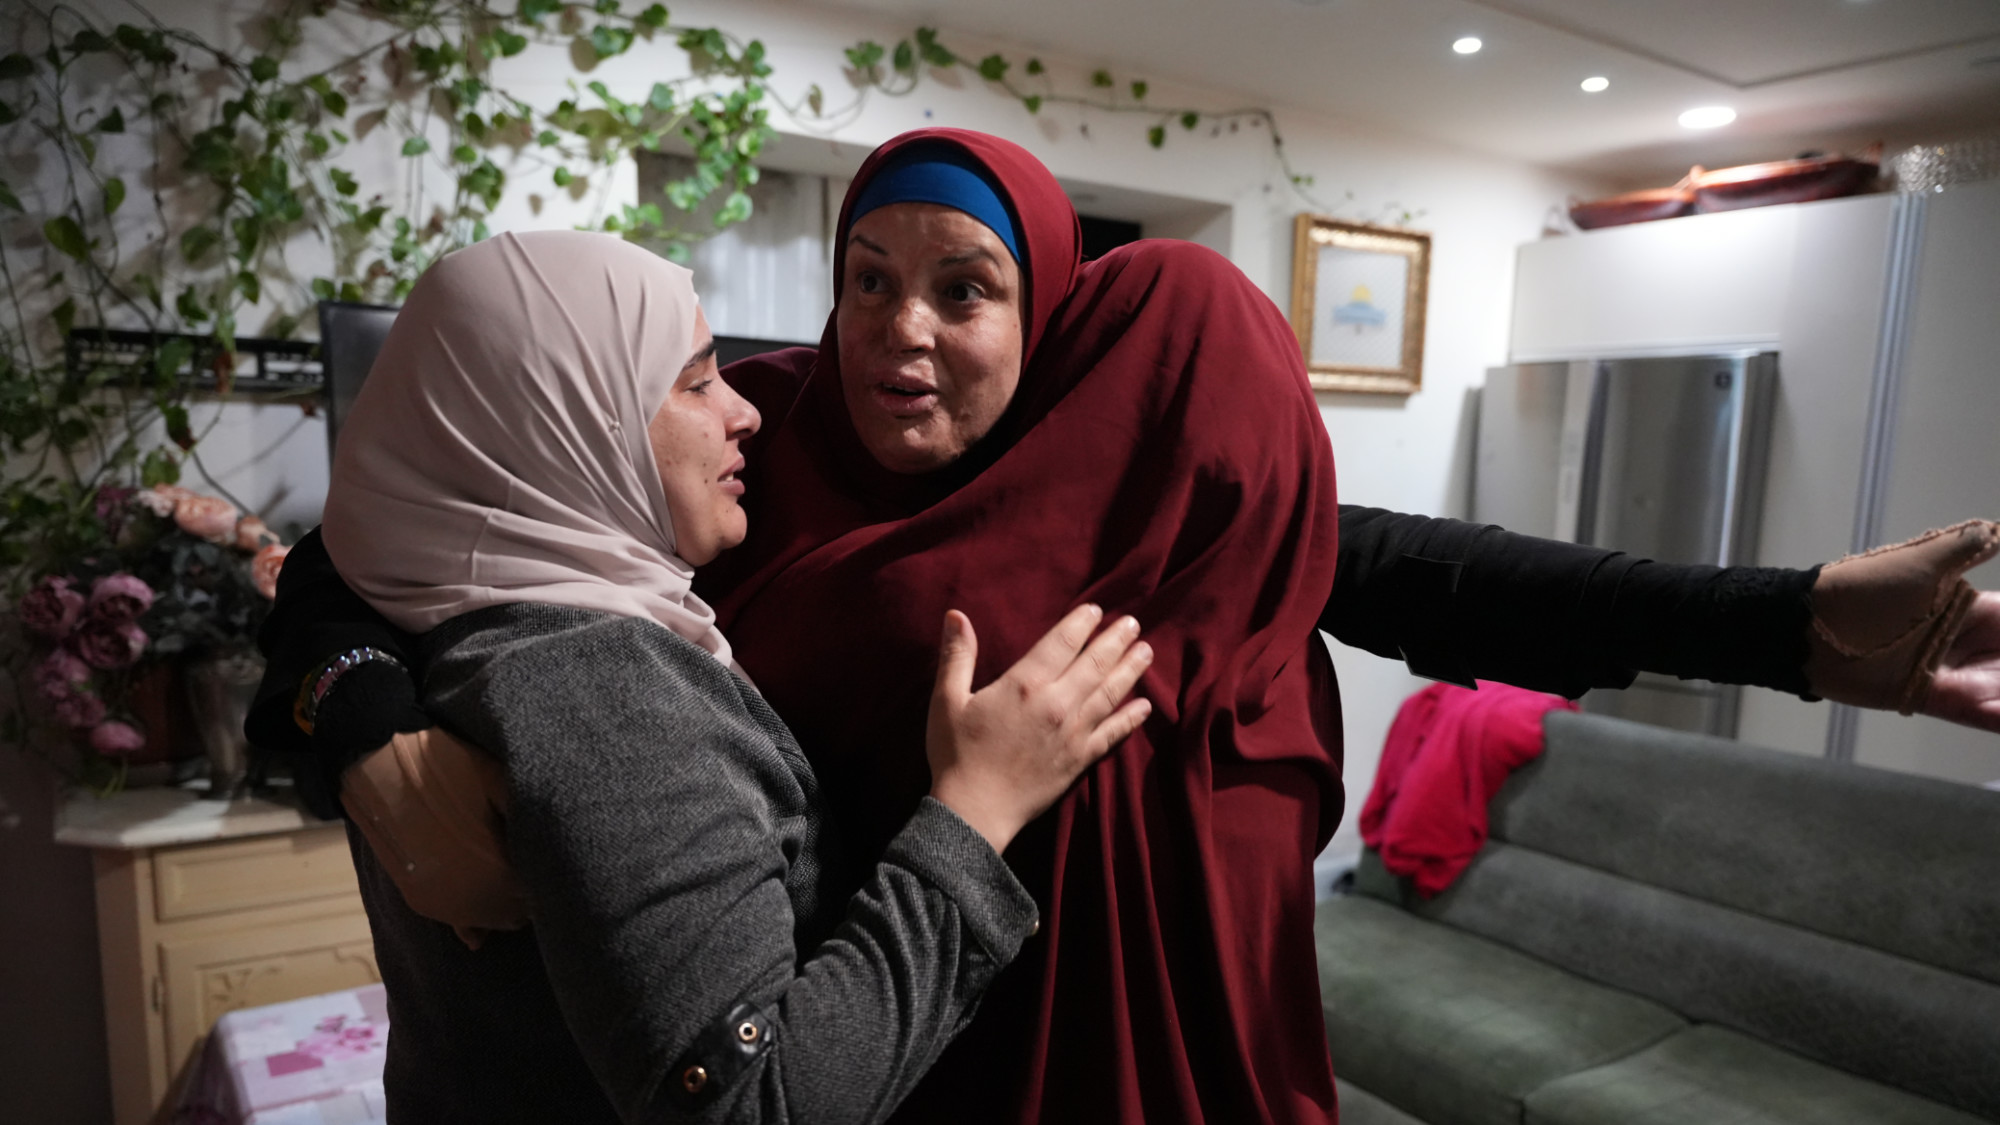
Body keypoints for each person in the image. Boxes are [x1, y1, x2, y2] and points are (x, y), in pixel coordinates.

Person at [253, 129, 2000, 1124]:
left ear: (1051, 310)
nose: (902, 334)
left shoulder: (1137, 477)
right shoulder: (745, 438)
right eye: (870, 278)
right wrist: (361, 723)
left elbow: (1412, 569)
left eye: (966, 289)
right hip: (865, 1052)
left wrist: (1793, 627)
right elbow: (408, 522)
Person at [309, 227, 1155, 1121]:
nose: (744, 410)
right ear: (570, 418)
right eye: (697, 379)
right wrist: (978, 809)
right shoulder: (600, 684)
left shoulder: (436, 604)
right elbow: (753, 1102)